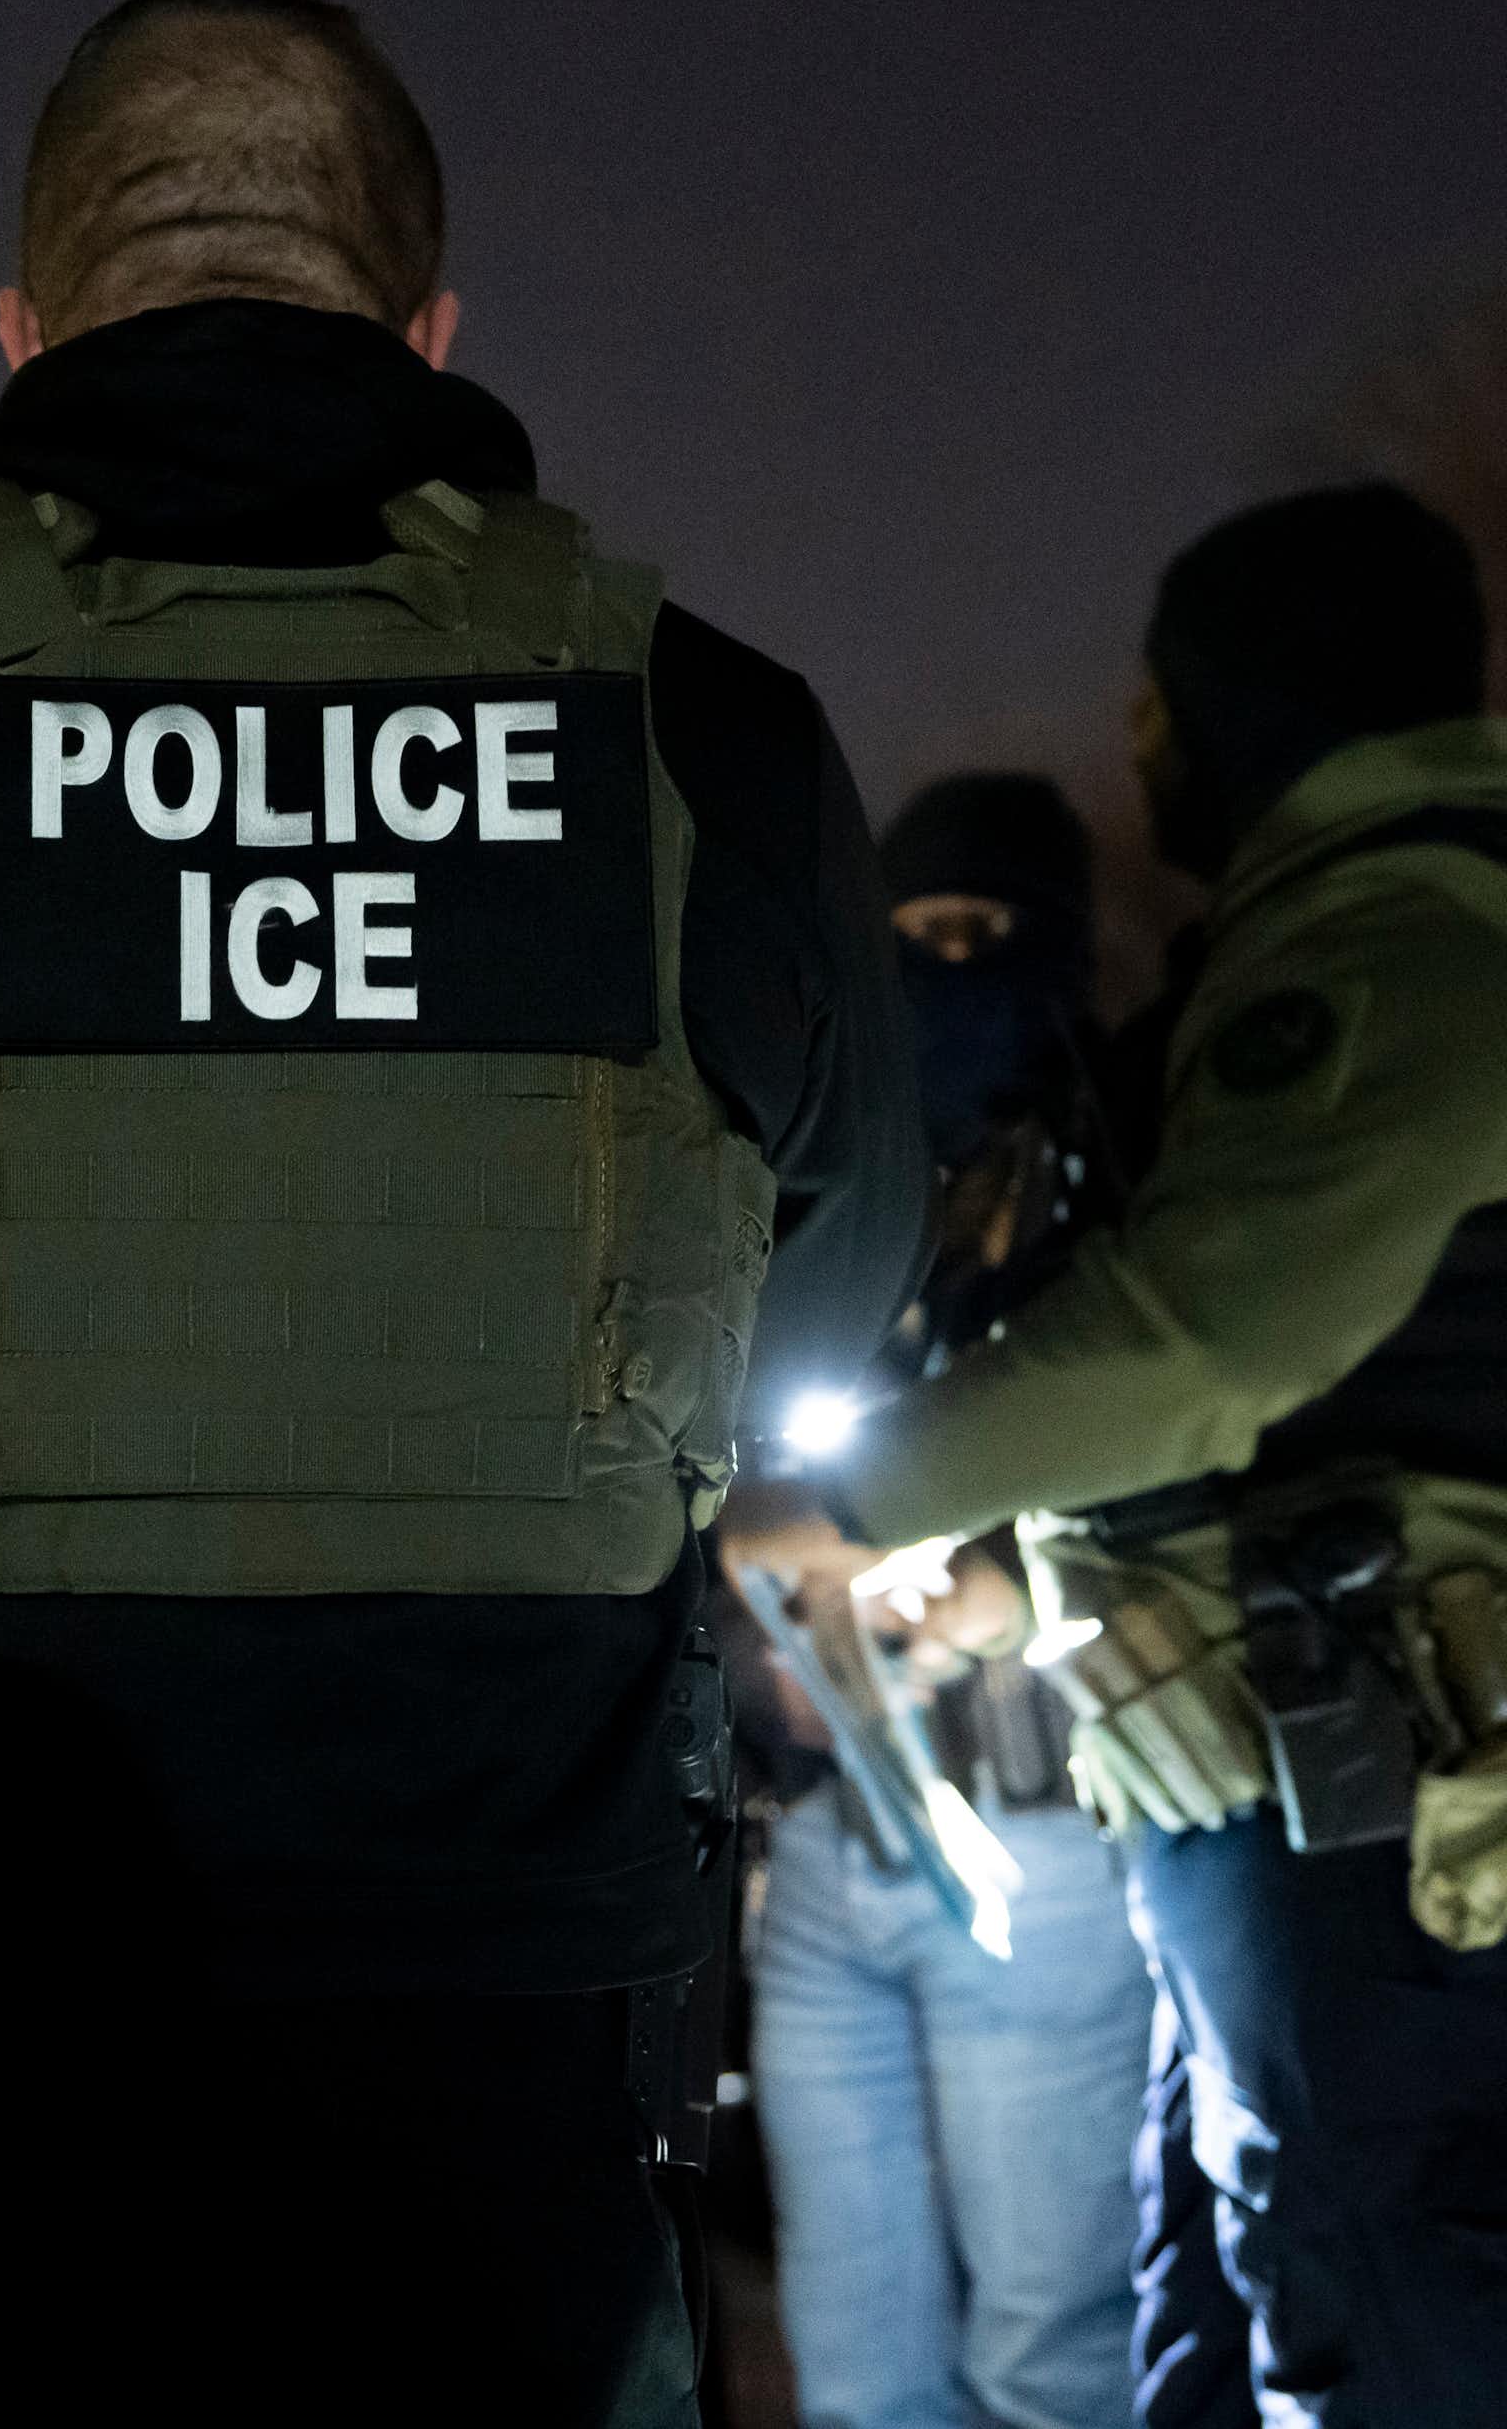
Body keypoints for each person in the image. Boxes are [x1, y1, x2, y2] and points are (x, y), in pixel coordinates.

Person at [0, 0, 927, 2426]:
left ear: (25, 326)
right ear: (428, 324)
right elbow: (825, 1296)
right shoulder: (710, 742)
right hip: (501, 2084)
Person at [722, 485, 1507, 2429]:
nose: (1143, 752)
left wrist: (847, 1500)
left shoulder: (1395, 930)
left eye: (1156, 711)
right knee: (1266, 2297)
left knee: (1353, 2314)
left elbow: (1215, 1332)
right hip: (1283, 1802)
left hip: (1368, 1811)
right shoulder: (1363, 924)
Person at [744, 772, 1150, 2429]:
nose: (952, 969)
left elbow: (1163, 1434)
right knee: (854, 2365)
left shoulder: (1125, 1173)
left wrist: (986, 1587)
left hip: (1044, 1851)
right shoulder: (846, 1188)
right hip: (830, 1849)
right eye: (917, 938)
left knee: (1050, 2357)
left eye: (989, 936)